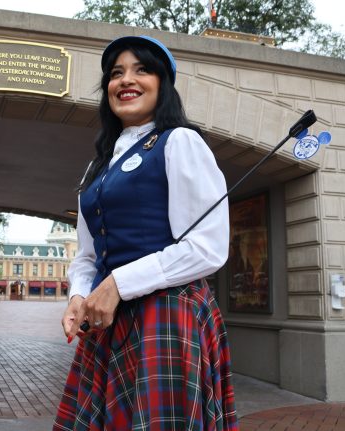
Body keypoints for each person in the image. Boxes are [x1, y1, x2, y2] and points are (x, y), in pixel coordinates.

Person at [53, 35, 239, 430]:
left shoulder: (181, 142)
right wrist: (79, 296)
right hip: (107, 322)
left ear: (163, 83)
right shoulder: (98, 166)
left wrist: (119, 283)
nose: (126, 80)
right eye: (116, 73)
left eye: (141, 69)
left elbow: (208, 248)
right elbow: (87, 255)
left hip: (166, 317)